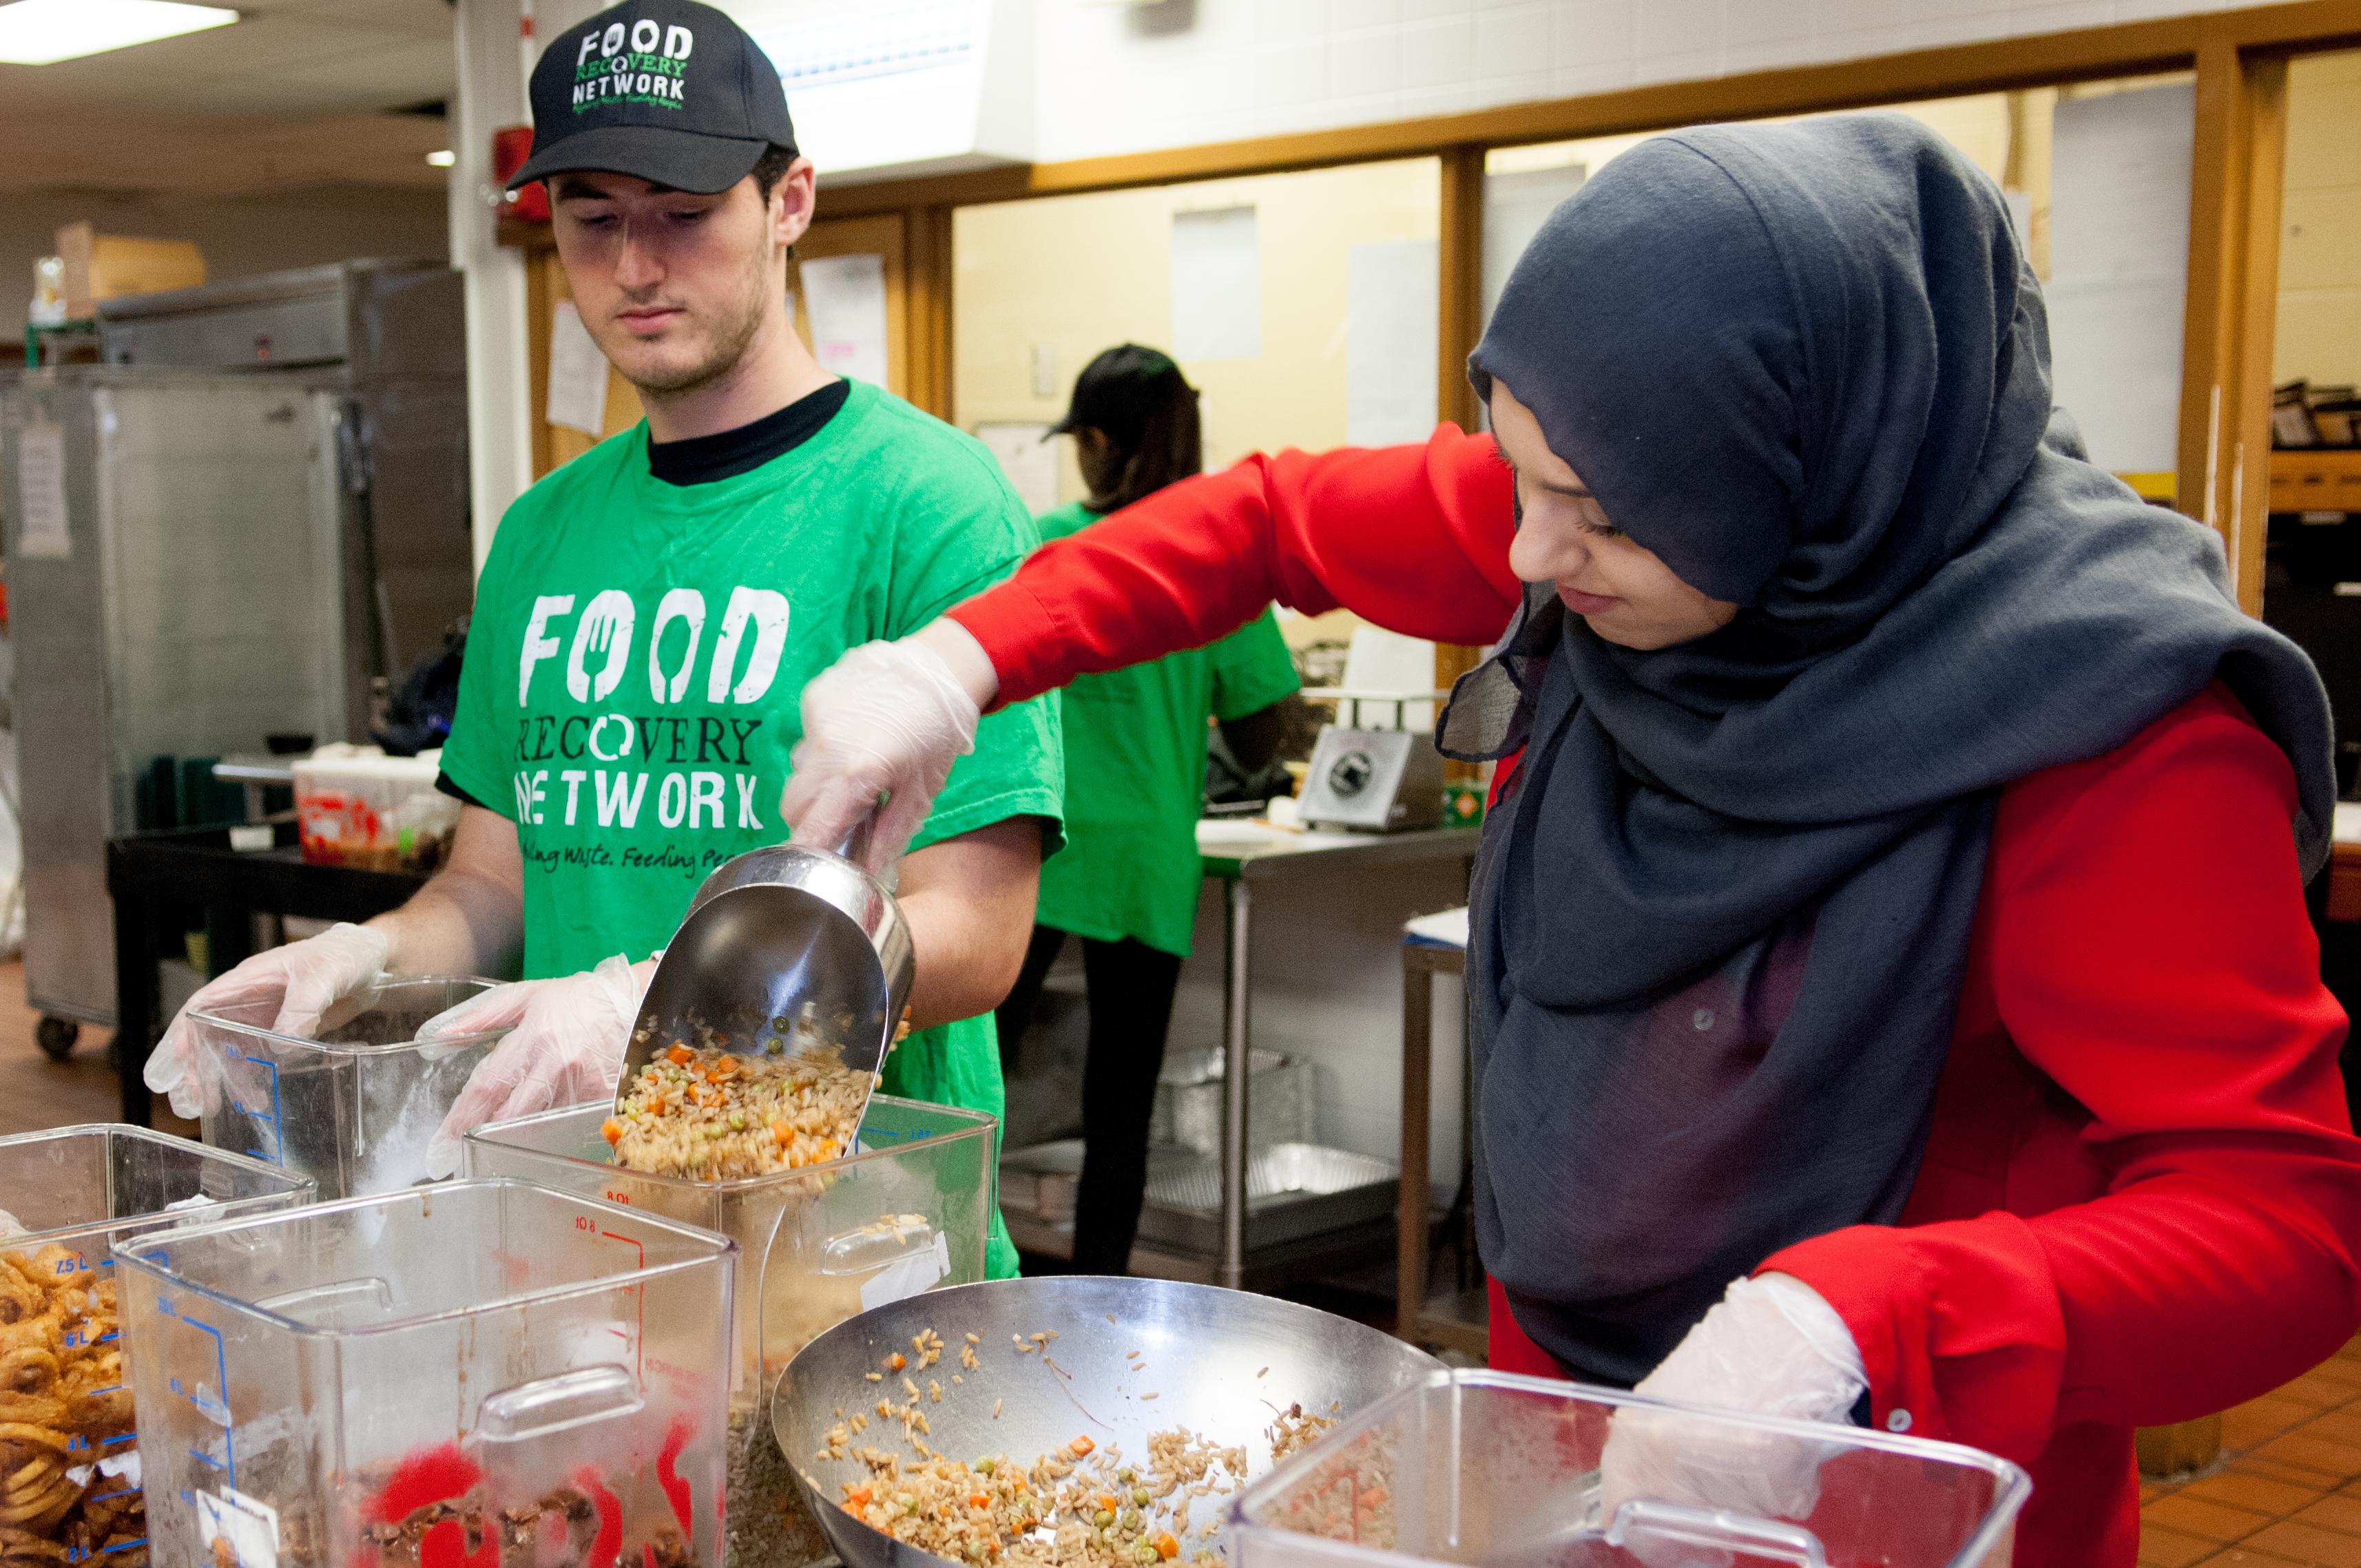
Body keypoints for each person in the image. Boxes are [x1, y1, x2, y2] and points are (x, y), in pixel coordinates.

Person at [778, 117, 2361, 1565]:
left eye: (1591, 512)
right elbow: (1260, 519)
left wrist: (1866, 1312)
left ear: (1798, 480)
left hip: (1891, 1476)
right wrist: (962, 662)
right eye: (1519, 475)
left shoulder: (2114, 726)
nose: (1526, 553)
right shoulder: (1628, 517)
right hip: (1576, 1457)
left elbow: (2281, 1221)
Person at [143, 0, 1060, 1277]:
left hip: (850, 1242)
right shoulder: (542, 533)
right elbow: (493, 884)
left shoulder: (929, 503)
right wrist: (358, 962)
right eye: (594, 219)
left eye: (684, 215)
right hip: (582, 1226)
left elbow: (976, 932)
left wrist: (660, 1003)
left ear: (790, 200)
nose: (636, 265)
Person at [989, 346, 1298, 1274]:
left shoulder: (1043, 539)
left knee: (972, 1090)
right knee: (1120, 1109)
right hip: (1146, 862)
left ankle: (949, 1278)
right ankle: (1097, 1305)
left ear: (1096, 441)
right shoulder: (1216, 556)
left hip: (1031, 849)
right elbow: (1261, 735)